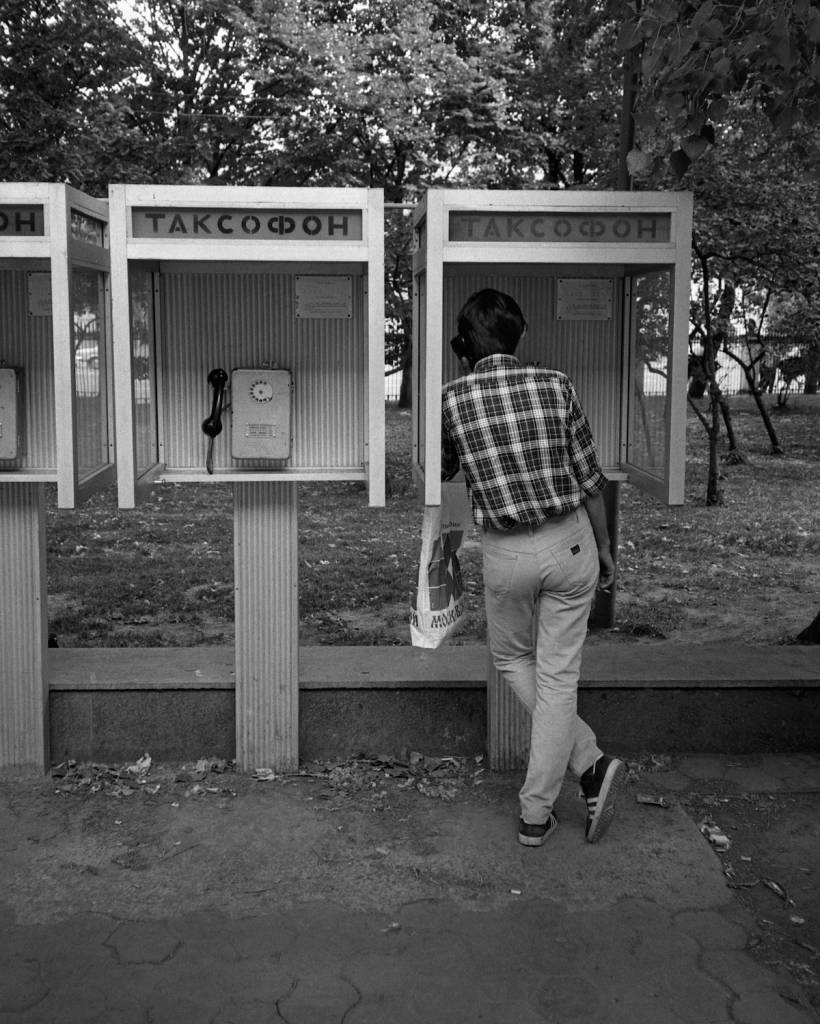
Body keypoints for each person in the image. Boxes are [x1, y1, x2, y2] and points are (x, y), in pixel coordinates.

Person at [441, 288, 625, 847]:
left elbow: (447, 476)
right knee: (558, 676)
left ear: (466, 344)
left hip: (505, 553)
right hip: (569, 544)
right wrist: (605, 547)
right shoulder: (556, 384)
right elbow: (591, 480)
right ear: (520, 336)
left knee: (512, 659)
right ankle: (585, 767)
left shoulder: (452, 399)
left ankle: (539, 809)